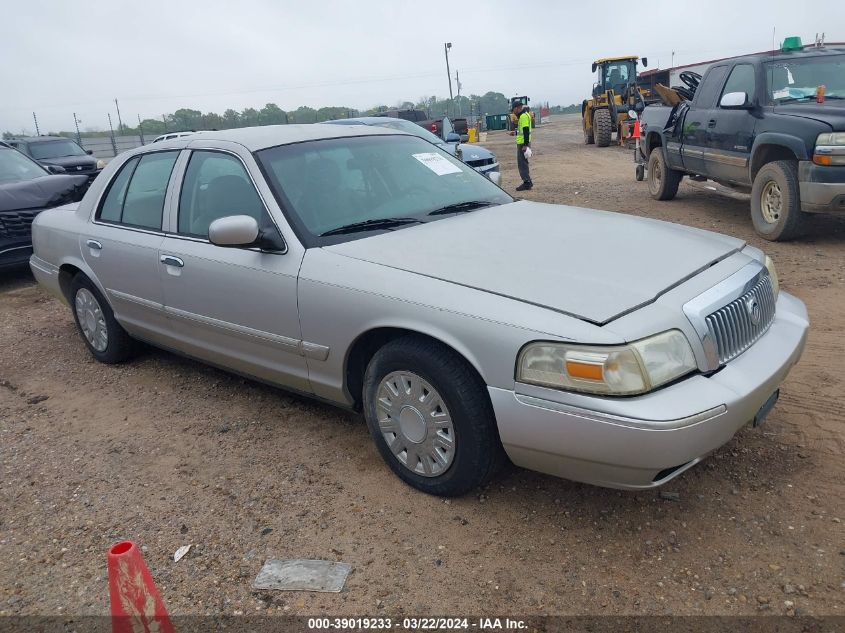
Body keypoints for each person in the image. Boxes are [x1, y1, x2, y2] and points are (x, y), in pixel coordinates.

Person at [509, 101, 532, 191]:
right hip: (523, 142)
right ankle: (528, 181)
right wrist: (514, 133)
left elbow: (526, 131)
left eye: (514, 109)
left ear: (518, 108)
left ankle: (527, 183)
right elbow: (522, 131)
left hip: (523, 143)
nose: (513, 112)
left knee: (522, 164)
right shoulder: (525, 115)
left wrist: (525, 145)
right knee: (524, 163)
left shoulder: (523, 117)